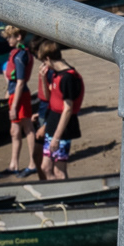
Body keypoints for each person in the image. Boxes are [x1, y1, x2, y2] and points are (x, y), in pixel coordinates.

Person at [37, 41, 83, 179]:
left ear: (47, 59)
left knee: (59, 170)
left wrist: (56, 137)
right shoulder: (55, 74)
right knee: (45, 167)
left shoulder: (68, 77)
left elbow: (68, 109)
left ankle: (64, 198)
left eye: (44, 62)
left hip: (62, 128)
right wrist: (43, 77)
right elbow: (49, 97)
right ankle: (55, 194)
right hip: (52, 122)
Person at [0, 25, 34, 174]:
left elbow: (20, 82)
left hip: (20, 96)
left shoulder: (20, 56)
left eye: (10, 37)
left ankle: (33, 163)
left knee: (27, 127)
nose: (8, 40)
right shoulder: (17, 54)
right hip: (14, 95)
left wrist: (13, 107)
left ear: (18, 37)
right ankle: (14, 164)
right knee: (14, 130)